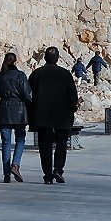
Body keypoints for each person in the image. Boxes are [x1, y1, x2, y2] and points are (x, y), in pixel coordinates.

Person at [29, 47, 79, 184]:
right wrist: (72, 109)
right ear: (57, 58)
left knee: (44, 146)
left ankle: (47, 174)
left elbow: (28, 95)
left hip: (42, 116)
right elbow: (73, 96)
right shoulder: (65, 74)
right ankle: (58, 169)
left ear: (45, 58)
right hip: (62, 116)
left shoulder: (37, 74)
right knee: (61, 144)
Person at [0, 52, 32, 183]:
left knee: (6, 143)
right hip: (19, 111)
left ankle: (6, 174)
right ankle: (16, 164)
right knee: (20, 139)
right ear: (16, 61)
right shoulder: (20, 75)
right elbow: (27, 95)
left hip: (3, 111)